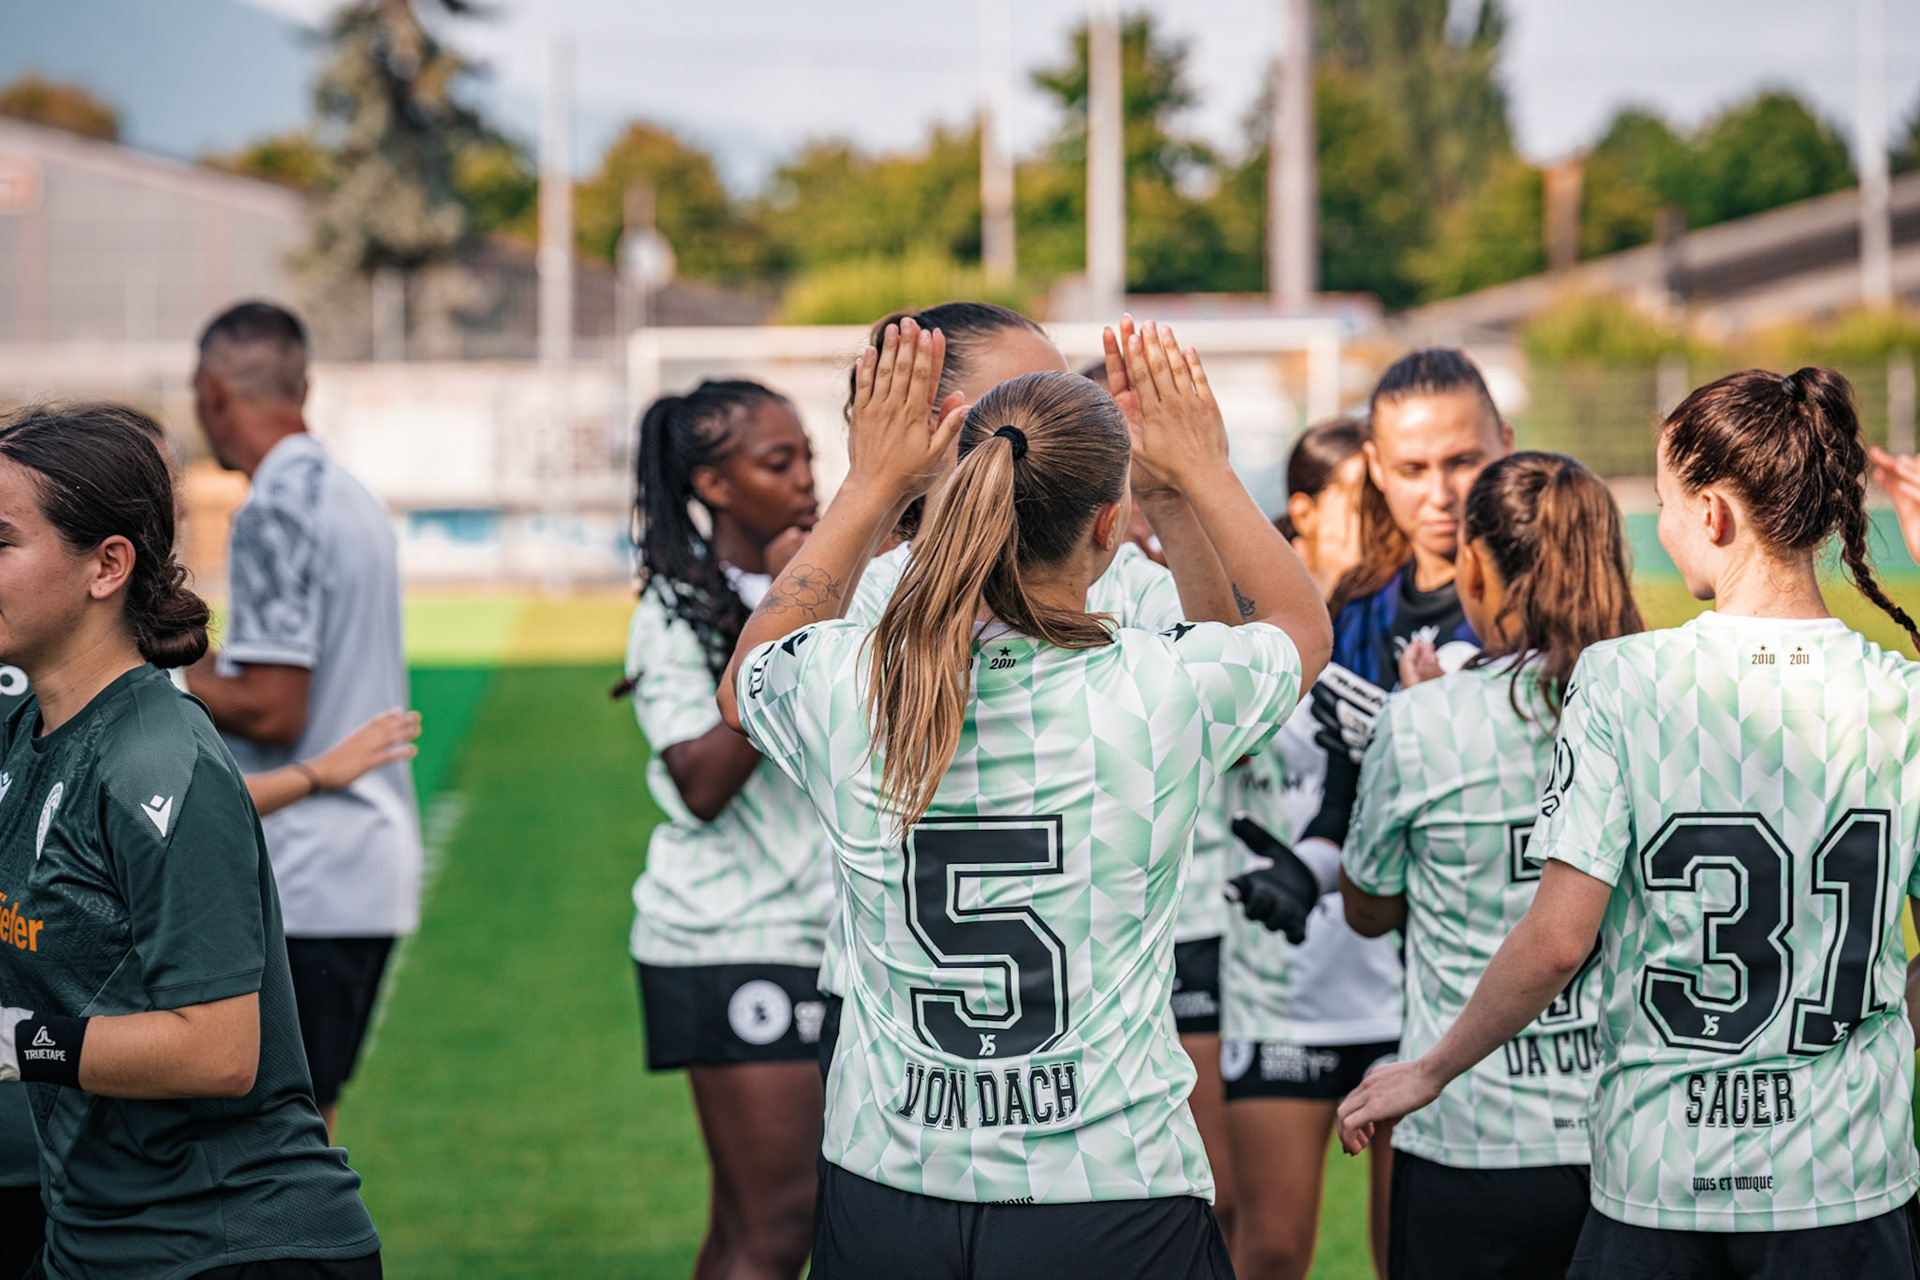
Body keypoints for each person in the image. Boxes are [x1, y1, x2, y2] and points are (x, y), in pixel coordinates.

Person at [719, 321, 1331, 1279]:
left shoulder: (848, 676)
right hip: (1106, 1193)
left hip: (890, 1181)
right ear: (1104, 523)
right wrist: (1203, 471)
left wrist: (870, 481)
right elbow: (1293, 627)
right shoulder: (1156, 690)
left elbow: (751, 673)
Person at [1340, 367, 1920, 1277]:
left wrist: (1432, 1068)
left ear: (1715, 514)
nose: (1661, 523)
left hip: (1664, 1178)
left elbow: (1560, 941)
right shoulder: (1902, 697)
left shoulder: (1624, 679)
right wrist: (1881, 1033)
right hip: (1847, 1179)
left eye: (1666, 502)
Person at [831, 305, 1247, 1224]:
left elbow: (1221, 672)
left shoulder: (1115, 579)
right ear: (935, 427)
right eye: (1026, 397)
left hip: (1074, 1026)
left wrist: (1171, 502)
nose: (1058, 415)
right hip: (921, 1049)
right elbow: (1240, 666)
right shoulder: (865, 598)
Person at [0, 403, 380, 1279]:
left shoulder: (157, 757)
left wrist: (23, 1044)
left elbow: (217, 1049)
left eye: (3, 542)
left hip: (234, 1249)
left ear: (106, 566)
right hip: (94, 1240)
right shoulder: (28, 738)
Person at [1337, 453, 1642, 1280]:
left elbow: (1369, 908)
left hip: (1466, 1132)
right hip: (1624, 1137)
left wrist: (1416, 716)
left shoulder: (1423, 719)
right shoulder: (1655, 705)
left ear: (1474, 564)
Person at [184, 301, 423, 1138]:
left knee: (272, 1147)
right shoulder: (350, 494)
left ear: (212, 392)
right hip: (357, 860)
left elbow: (275, 710)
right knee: (293, 1135)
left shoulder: (273, 509)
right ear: (304, 385)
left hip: (310, 867)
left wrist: (149, 667)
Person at [618, 379, 827, 1280]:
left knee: (761, 1224)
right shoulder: (673, 610)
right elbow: (702, 781)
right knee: (780, 1224)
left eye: (811, 456)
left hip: (829, 937)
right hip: (730, 937)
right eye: (778, 463)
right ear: (713, 484)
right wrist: (789, 608)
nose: (808, 481)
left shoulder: (841, 583)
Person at [1219, 420, 1404, 1280]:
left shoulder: (1416, 619)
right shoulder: (1238, 624)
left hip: (1401, 988)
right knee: (1270, 1251)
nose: (1392, 516)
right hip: (1276, 980)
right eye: (1366, 498)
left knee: (1404, 1253)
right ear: (1304, 511)